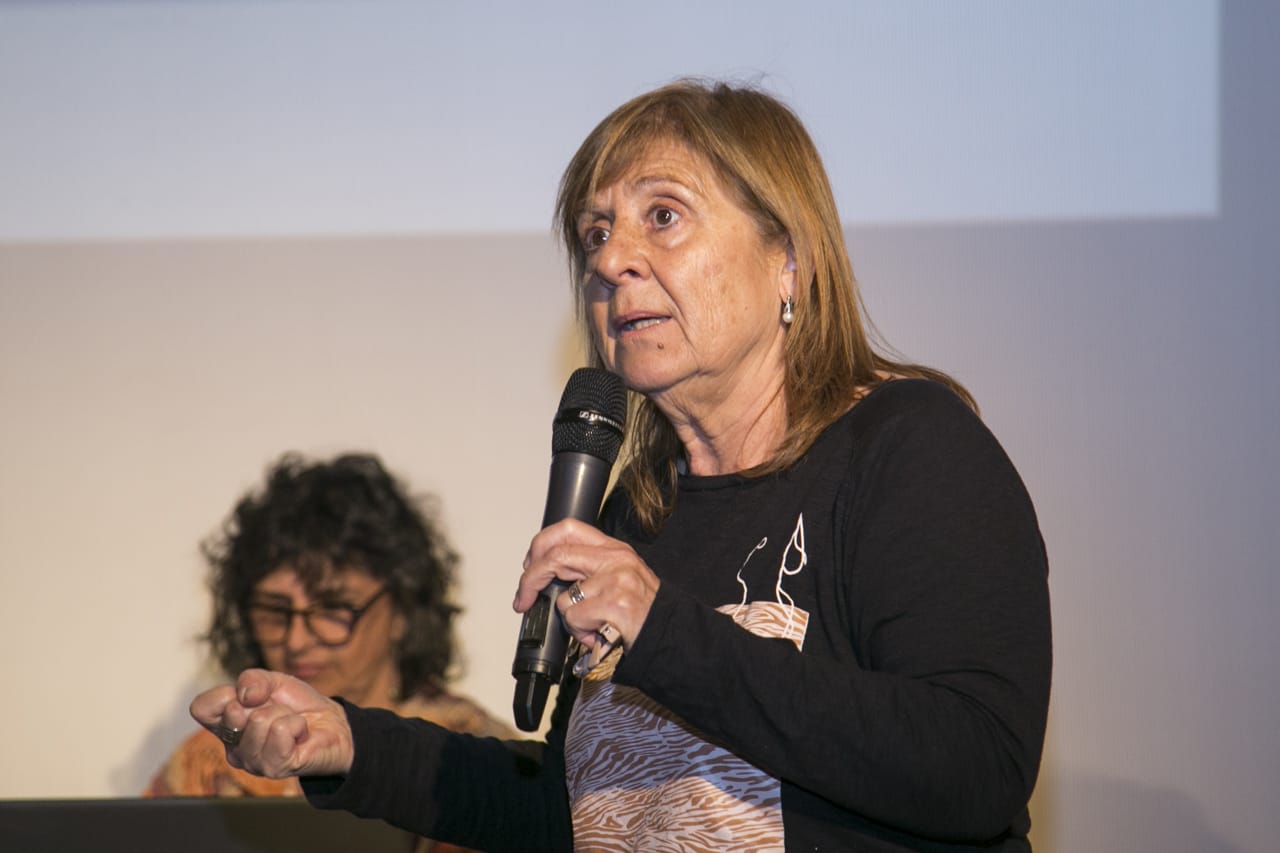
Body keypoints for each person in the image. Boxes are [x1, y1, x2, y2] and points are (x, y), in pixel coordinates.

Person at [191, 80, 1052, 851]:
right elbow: (576, 813)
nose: (608, 260)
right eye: (595, 233)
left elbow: (975, 767)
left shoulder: (905, 448)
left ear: (788, 257)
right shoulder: (638, 514)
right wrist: (352, 743)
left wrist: (662, 627)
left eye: (663, 216)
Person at [148, 452, 513, 803]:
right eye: (275, 611)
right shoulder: (211, 767)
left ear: (403, 611)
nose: (296, 641)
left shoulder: (472, 761)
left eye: (333, 609)